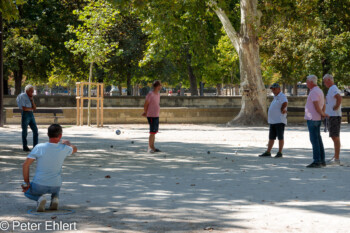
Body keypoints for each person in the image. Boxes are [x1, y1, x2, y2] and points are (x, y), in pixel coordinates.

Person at [21, 124, 78, 212]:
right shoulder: (64, 148)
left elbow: (25, 165)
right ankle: (55, 198)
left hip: (39, 185)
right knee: (56, 185)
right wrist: (69, 144)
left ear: (48, 134)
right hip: (56, 185)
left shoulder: (39, 147)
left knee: (26, 191)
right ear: (60, 135)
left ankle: (39, 198)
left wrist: (26, 182)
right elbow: (75, 149)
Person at [259, 83, 288, 158]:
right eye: (272, 89)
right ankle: (268, 151)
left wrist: (283, 109)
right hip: (273, 121)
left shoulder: (282, 96)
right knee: (271, 137)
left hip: (279, 121)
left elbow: (285, 103)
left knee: (280, 137)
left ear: (279, 89)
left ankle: (280, 152)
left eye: (274, 89)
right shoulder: (275, 97)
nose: (273, 90)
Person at [304, 75, 326, 168]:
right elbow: (324, 104)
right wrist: (322, 114)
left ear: (311, 82)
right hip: (316, 118)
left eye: (307, 81)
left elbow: (317, 106)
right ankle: (322, 160)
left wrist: (322, 114)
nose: (306, 83)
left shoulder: (313, 92)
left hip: (313, 118)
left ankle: (317, 161)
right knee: (318, 139)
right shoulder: (319, 90)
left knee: (314, 140)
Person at [323, 74, 342, 165]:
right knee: (334, 136)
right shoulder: (332, 88)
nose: (324, 83)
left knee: (335, 136)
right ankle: (336, 156)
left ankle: (337, 158)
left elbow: (339, 97)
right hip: (331, 115)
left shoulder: (333, 88)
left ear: (329, 80)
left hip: (334, 115)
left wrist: (337, 106)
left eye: (325, 81)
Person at [16, 85, 38, 151]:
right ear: (27, 91)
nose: (32, 92)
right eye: (31, 91)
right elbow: (24, 108)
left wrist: (32, 100)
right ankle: (25, 146)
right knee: (25, 131)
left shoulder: (30, 97)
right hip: (25, 114)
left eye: (33, 91)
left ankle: (35, 146)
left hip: (31, 114)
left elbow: (35, 108)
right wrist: (31, 108)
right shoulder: (22, 96)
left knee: (35, 130)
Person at [142, 80, 162, 153]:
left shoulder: (158, 94)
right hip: (151, 115)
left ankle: (153, 147)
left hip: (156, 115)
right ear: (157, 86)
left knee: (154, 132)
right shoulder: (150, 94)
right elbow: (146, 104)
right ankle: (150, 148)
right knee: (152, 132)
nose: (161, 86)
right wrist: (146, 112)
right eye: (160, 85)